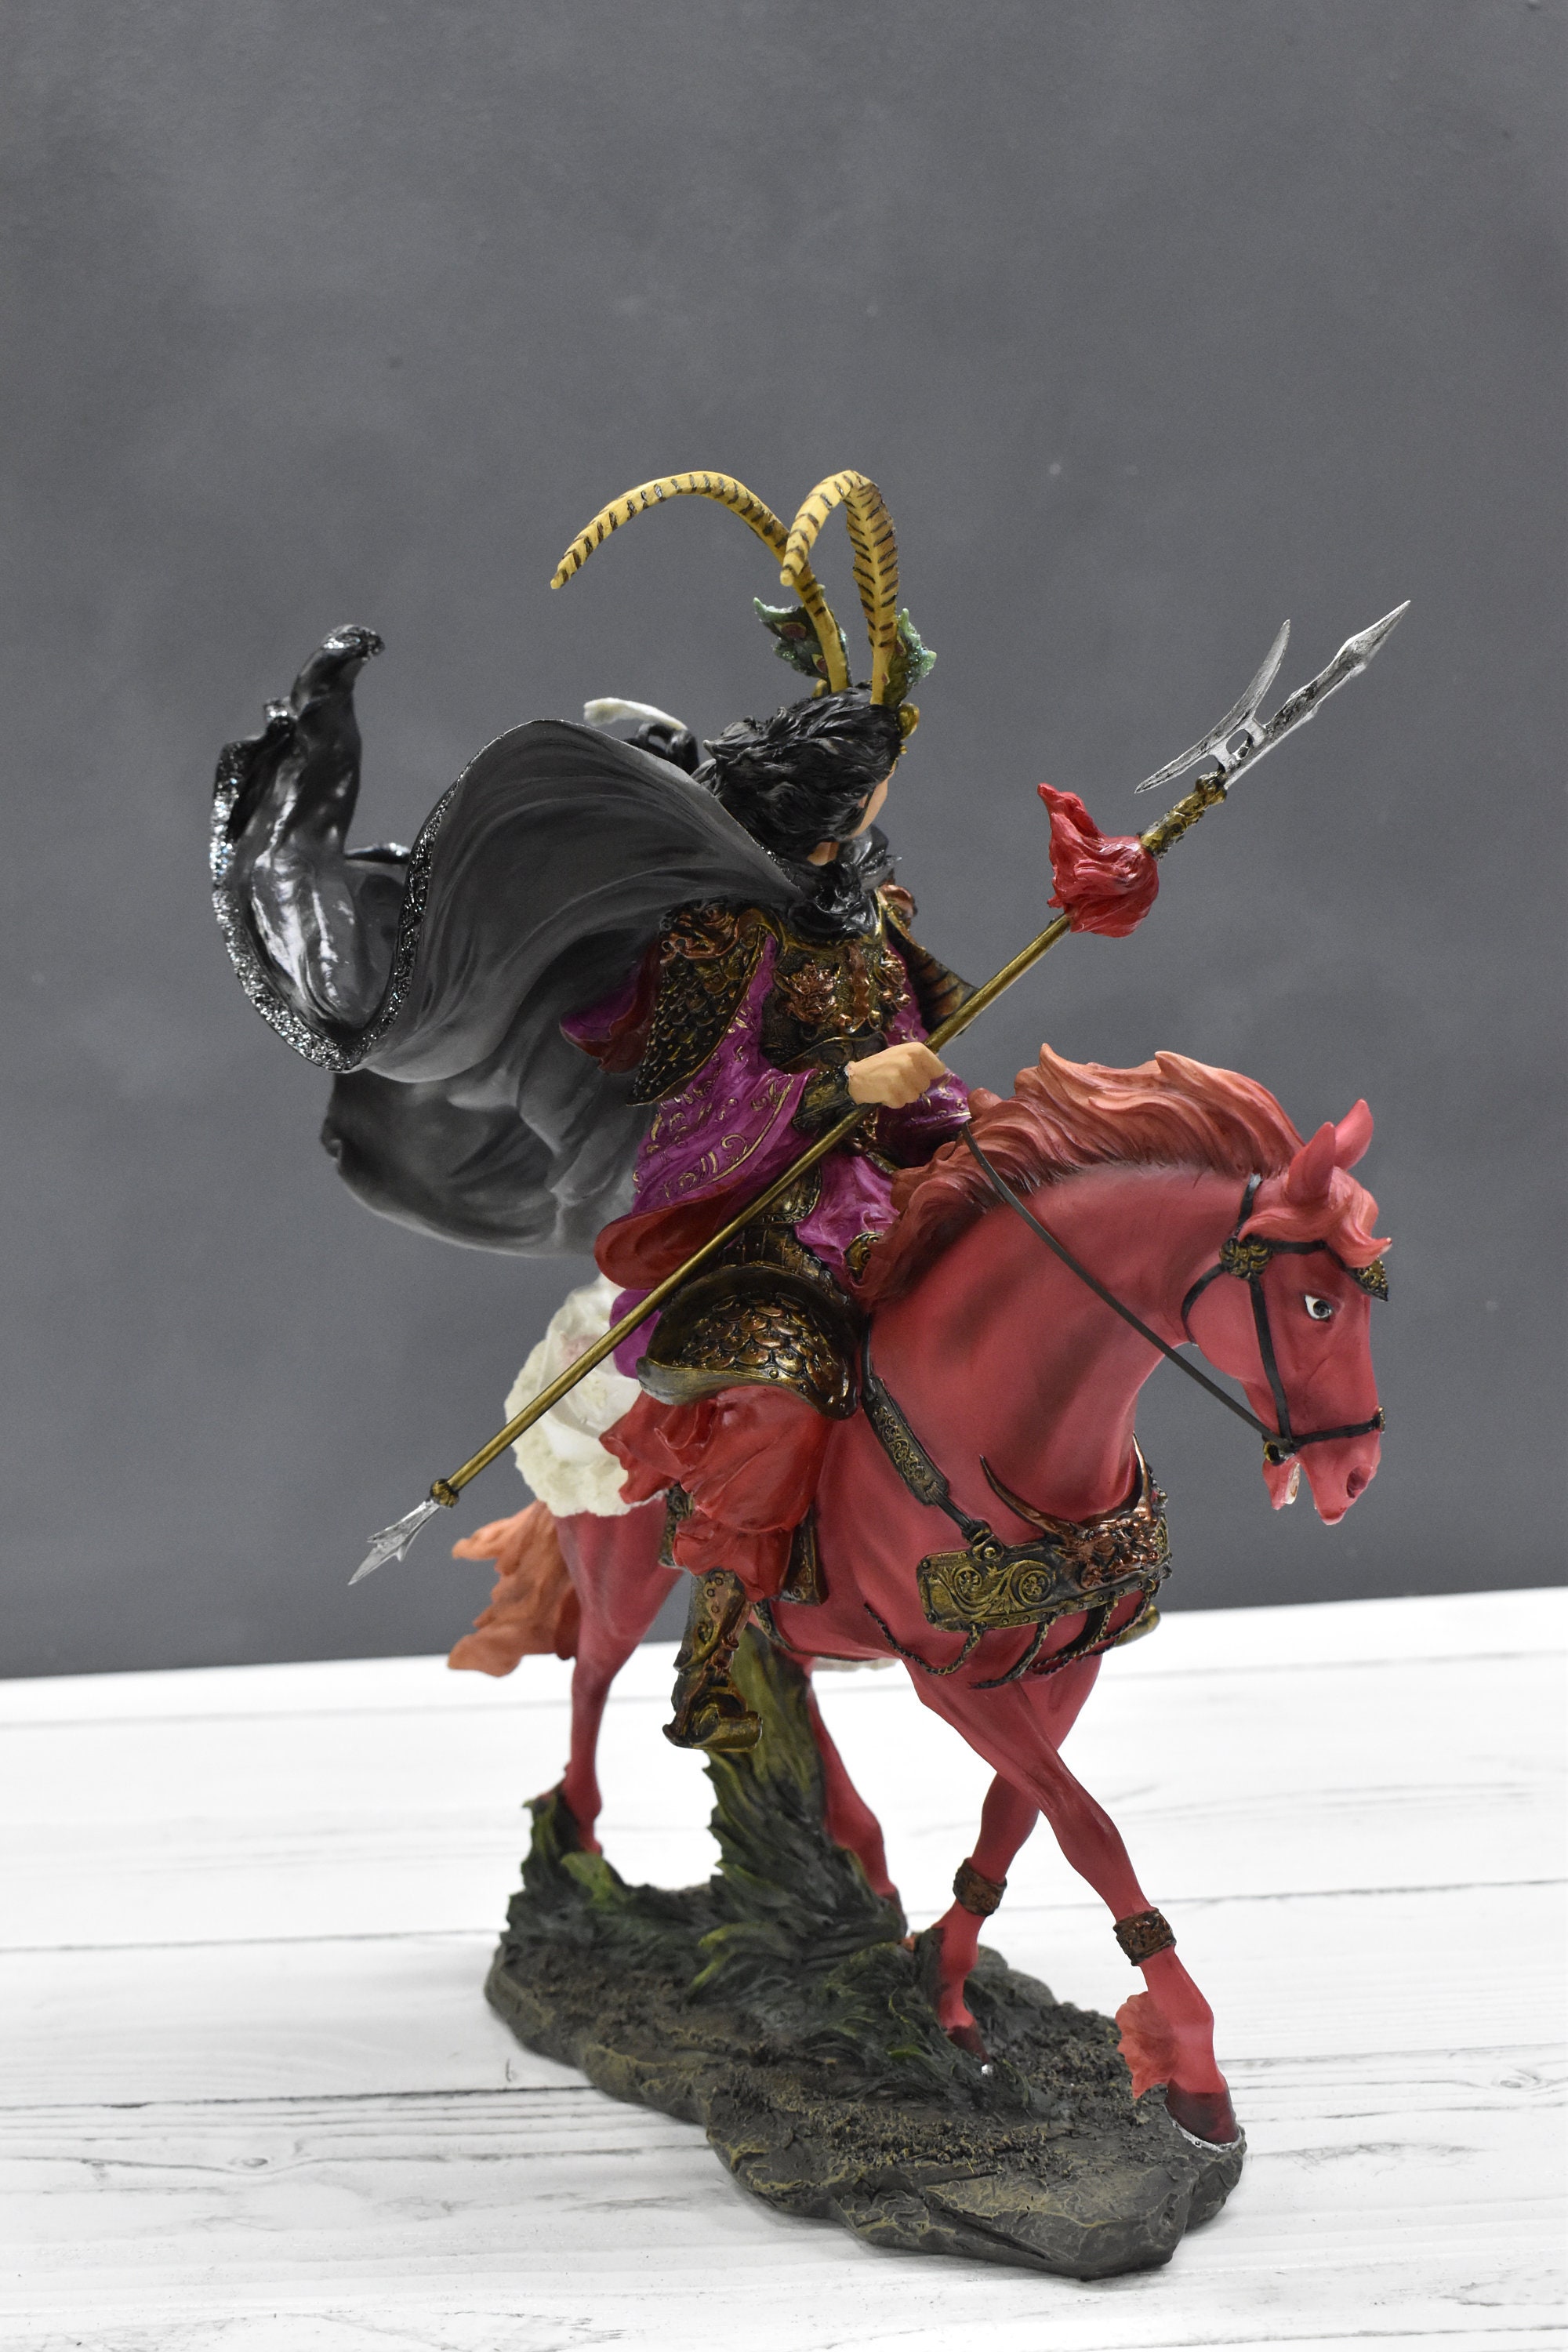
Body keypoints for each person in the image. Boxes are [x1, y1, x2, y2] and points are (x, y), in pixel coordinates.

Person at [209, 466, 969, 1748]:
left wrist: (1081, 914)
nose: (875, 816)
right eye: (863, 796)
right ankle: (730, 1638)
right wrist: (844, 1086)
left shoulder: (855, 894)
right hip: (731, 1202)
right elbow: (703, 1092)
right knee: (779, 1384)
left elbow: (908, 1010)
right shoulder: (720, 931)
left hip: (879, 1157)